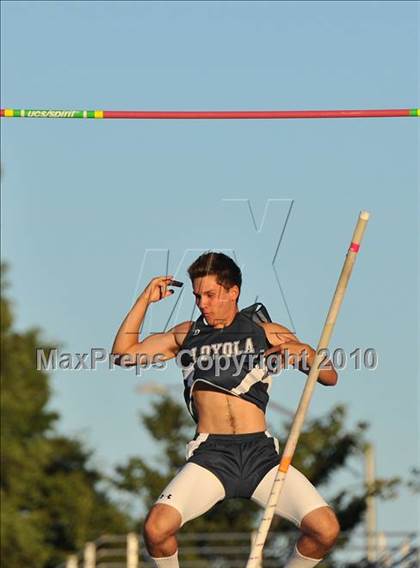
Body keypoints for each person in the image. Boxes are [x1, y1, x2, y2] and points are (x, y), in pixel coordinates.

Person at [112, 252, 340, 567]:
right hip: (212, 456)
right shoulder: (187, 334)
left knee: (326, 529)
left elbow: (329, 376)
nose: (202, 303)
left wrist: (306, 352)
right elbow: (124, 354)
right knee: (156, 528)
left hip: (260, 456)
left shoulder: (266, 331)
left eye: (210, 295)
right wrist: (144, 301)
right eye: (197, 296)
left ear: (233, 292)